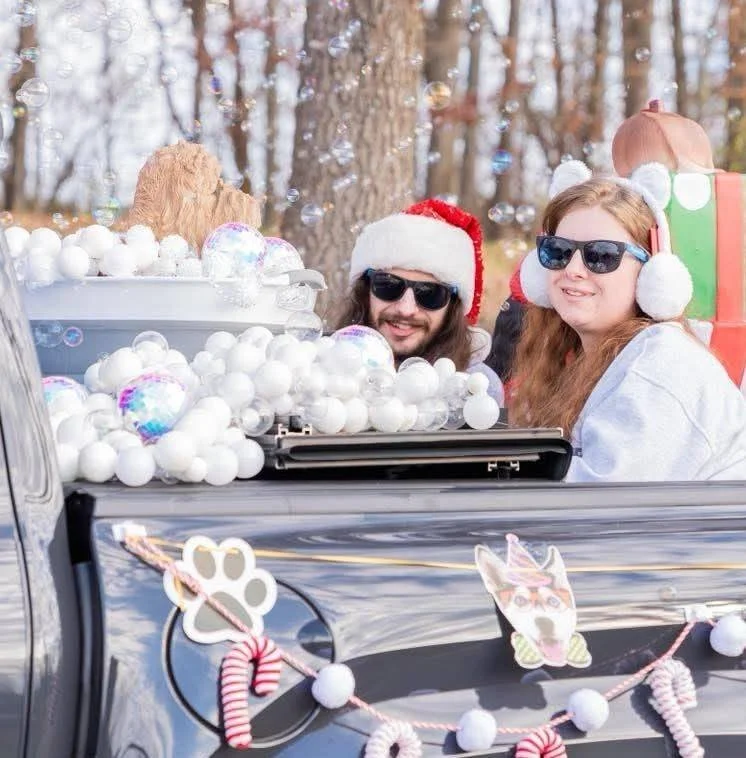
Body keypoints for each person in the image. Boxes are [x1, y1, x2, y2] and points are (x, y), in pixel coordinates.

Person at [511, 171, 746, 482]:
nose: (573, 269)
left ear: (652, 274)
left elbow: (596, 500)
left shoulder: (663, 364)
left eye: (601, 255)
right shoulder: (593, 360)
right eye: (559, 251)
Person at [336, 198, 502, 396]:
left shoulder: (478, 389)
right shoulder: (321, 368)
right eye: (388, 286)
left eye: (429, 294)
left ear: (452, 307)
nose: (406, 309)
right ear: (365, 292)